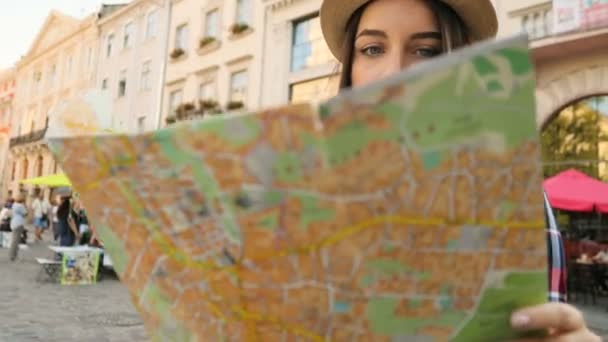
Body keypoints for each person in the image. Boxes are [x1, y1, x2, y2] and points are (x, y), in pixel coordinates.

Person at [319, 0, 600, 340]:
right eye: (373, 48)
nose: (395, 72)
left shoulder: (513, 199)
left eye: (426, 51)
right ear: (351, 68)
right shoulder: (300, 195)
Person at [9, 194, 27, 261]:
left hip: (14, 223)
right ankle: (13, 256)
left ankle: (13, 255)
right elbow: (25, 213)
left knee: (14, 240)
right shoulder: (21, 206)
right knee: (16, 241)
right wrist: (25, 206)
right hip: (19, 223)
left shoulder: (14, 204)